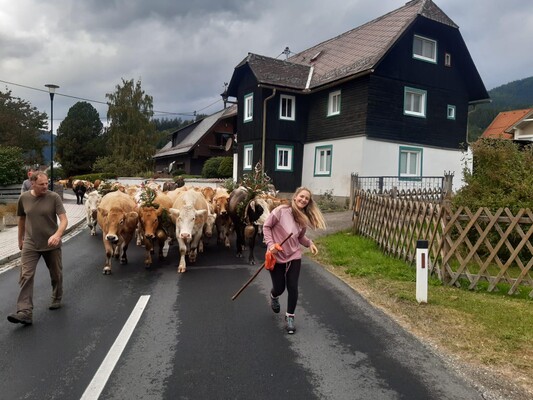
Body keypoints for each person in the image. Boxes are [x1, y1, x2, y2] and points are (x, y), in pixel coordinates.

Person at [262, 186, 327, 334]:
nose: (303, 200)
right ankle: (274, 296)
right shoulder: (280, 211)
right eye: (302, 196)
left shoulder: (302, 219)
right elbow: (266, 227)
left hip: (293, 256)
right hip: (276, 256)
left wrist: (310, 243)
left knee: (293, 287)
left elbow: (299, 237)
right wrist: (271, 245)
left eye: (307, 198)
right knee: (280, 287)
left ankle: (290, 317)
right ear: (295, 196)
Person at [7, 171, 68, 326]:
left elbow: (64, 220)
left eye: (47, 183)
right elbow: (21, 219)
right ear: (32, 183)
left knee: (56, 274)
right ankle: (25, 312)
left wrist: (57, 235)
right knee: (26, 275)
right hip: (30, 243)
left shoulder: (53, 197)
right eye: (42, 184)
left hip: (51, 243)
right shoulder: (24, 198)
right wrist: (20, 239)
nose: (45, 186)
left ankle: (56, 297)